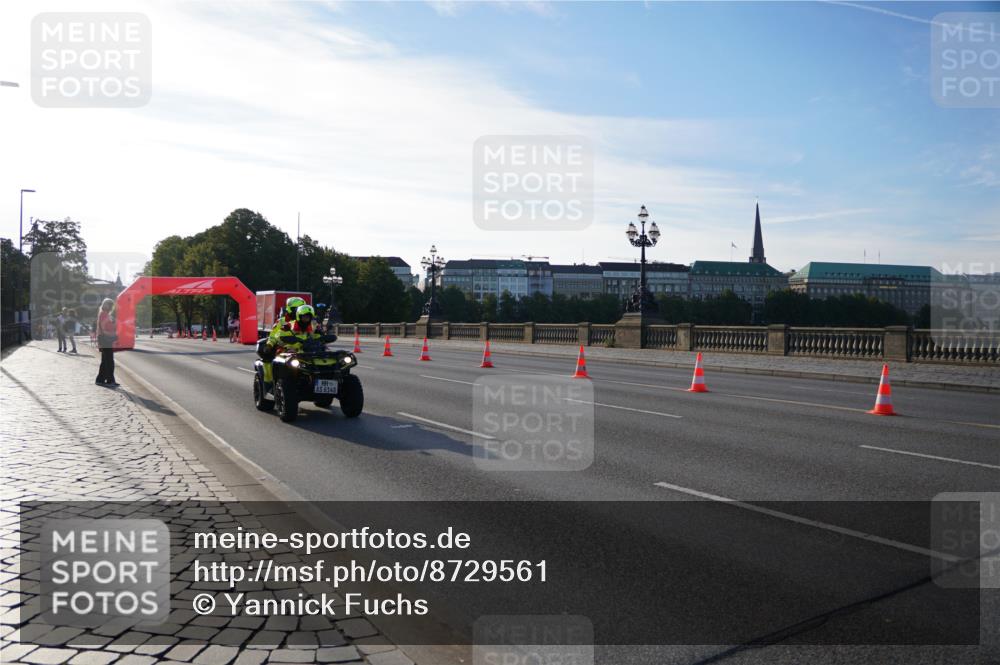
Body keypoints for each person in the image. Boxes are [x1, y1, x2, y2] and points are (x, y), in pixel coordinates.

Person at [259, 296, 307, 387]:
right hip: (285, 349)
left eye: (300, 308)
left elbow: (315, 334)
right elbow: (273, 336)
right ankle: (270, 384)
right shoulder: (281, 322)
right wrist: (269, 345)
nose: (297, 311)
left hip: (305, 349)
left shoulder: (307, 321)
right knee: (276, 362)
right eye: (295, 309)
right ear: (289, 309)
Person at [95, 299, 119, 386]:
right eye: (110, 305)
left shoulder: (106, 314)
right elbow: (104, 328)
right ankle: (110, 380)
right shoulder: (103, 314)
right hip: (105, 339)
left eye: (111, 305)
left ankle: (100, 380)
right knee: (109, 361)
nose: (111, 307)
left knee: (105, 361)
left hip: (105, 338)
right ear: (106, 305)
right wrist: (113, 333)